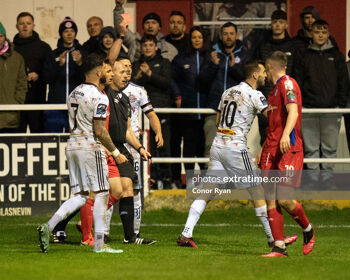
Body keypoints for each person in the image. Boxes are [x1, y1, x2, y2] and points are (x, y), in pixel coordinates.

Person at [177, 61, 290, 249]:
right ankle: (273, 238)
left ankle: (186, 233)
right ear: (254, 75)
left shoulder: (228, 91)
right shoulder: (255, 94)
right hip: (235, 148)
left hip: (218, 145)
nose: (264, 75)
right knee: (257, 191)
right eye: (262, 72)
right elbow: (270, 115)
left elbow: (218, 118)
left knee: (208, 190)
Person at [37, 53, 124, 253]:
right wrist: (116, 152)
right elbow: (100, 130)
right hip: (89, 146)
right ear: (97, 71)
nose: (108, 73)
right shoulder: (99, 96)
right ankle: (100, 245)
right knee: (102, 193)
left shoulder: (74, 92)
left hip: (72, 145)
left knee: (82, 195)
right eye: (106, 69)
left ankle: (48, 227)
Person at [257, 51, 315, 257]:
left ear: (269, 66)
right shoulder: (273, 91)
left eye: (264, 68)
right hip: (271, 150)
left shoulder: (287, 84)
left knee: (285, 200)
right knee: (270, 199)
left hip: (287, 149)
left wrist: (286, 135)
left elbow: (293, 112)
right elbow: (274, 125)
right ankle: (279, 247)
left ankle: (308, 230)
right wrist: (263, 147)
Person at [103, 58, 156, 244]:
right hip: (106, 147)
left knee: (127, 189)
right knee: (96, 193)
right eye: (120, 72)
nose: (125, 76)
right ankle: (63, 225)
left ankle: (130, 238)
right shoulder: (104, 94)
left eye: (128, 73)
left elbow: (127, 131)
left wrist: (140, 148)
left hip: (121, 148)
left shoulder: (124, 99)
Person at [294, 20, 348, 175]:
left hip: (331, 110)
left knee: (329, 149)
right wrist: (301, 105)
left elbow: (343, 82)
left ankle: (326, 182)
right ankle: (312, 184)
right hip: (308, 110)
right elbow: (297, 80)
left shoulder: (337, 55)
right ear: (312, 33)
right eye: (317, 32)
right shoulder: (303, 55)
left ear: (328, 34)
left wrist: (340, 105)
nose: (320, 35)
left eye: (324, 32)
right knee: (311, 150)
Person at [117, 55, 163, 236]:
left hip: (134, 146)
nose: (128, 69)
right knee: (110, 189)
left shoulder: (139, 91)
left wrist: (158, 131)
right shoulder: (107, 91)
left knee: (134, 189)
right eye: (124, 67)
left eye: (129, 67)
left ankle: (134, 232)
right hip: (113, 145)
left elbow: (151, 114)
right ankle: (102, 232)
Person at [201, 22, 248, 159]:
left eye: (231, 33)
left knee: (235, 149)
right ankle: (211, 180)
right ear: (221, 36)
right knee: (211, 148)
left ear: (236, 35)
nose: (228, 37)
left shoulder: (245, 55)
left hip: (237, 111)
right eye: (225, 34)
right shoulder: (211, 54)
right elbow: (202, 80)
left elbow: (248, 81)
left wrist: (233, 69)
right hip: (214, 109)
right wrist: (214, 66)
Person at [132, 34, 172, 188]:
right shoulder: (136, 64)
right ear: (141, 48)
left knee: (164, 144)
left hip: (161, 110)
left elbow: (166, 83)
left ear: (156, 47)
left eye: (150, 45)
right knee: (147, 146)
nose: (147, 48)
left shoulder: (164, 63)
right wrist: (140, 74)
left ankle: (167, 179)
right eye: (145, 45)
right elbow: (131, 85)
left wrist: (150, 74)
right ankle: (151, 178)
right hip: (141, 114)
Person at [171, 26, 210, 176]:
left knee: (203, 148)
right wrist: (177, 95)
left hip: (207, 112)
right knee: (188, 148)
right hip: (188, 111)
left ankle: (206, 183)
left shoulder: (210, 57)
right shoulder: (181, 58)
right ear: (190, 39)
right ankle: (190, 182)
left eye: (199, 37)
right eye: (194, 37)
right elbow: (172, 79)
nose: (197, 40)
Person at [255, 10, 296, 146]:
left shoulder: (293, 46)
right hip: (266, 98)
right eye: (275, 22)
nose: (278, 25)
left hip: (287, 99)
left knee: (286, 141)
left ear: (286, 25)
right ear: (271, 24)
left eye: (281, 22)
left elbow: (297, 72)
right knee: (266, 140)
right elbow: (258, 72)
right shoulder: (262, 46)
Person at [43, 16, 84, 132]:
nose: (69, 34)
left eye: (72, 31)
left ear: (75, 33)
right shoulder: (52, 54)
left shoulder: (82, 53)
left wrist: (80, 63)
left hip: (77, 106)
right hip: (55, 107)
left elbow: (86, 79)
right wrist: (59, 65)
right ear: (61, 34)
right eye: (66, 31)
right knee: (52, 141)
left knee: (76, 142)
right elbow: (47, 79)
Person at [13, 12, 52, 133]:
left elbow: (49, 73)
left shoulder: (43, 47)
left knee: (39, 135)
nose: (25, 26)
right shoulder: (11, 48)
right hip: (16, 100)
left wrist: (38, 75)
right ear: (16, 26)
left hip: (37, 98)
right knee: (16, 137)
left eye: (28, 23)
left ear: (33, 25)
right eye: (22, 23)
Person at [113, 2, 177, 62]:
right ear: (143, 27)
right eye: (147, 23)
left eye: (153, 23)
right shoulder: (135, 41)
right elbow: (121, 28)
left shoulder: (169, 48)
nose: (150, 26)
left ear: (159, 27)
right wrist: (119, 7)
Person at [0, 21, 27, 133]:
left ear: (5, 37)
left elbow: (22, 83)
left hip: (11, 115)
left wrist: (17, 103)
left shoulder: (16, 58)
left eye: (0, 36)